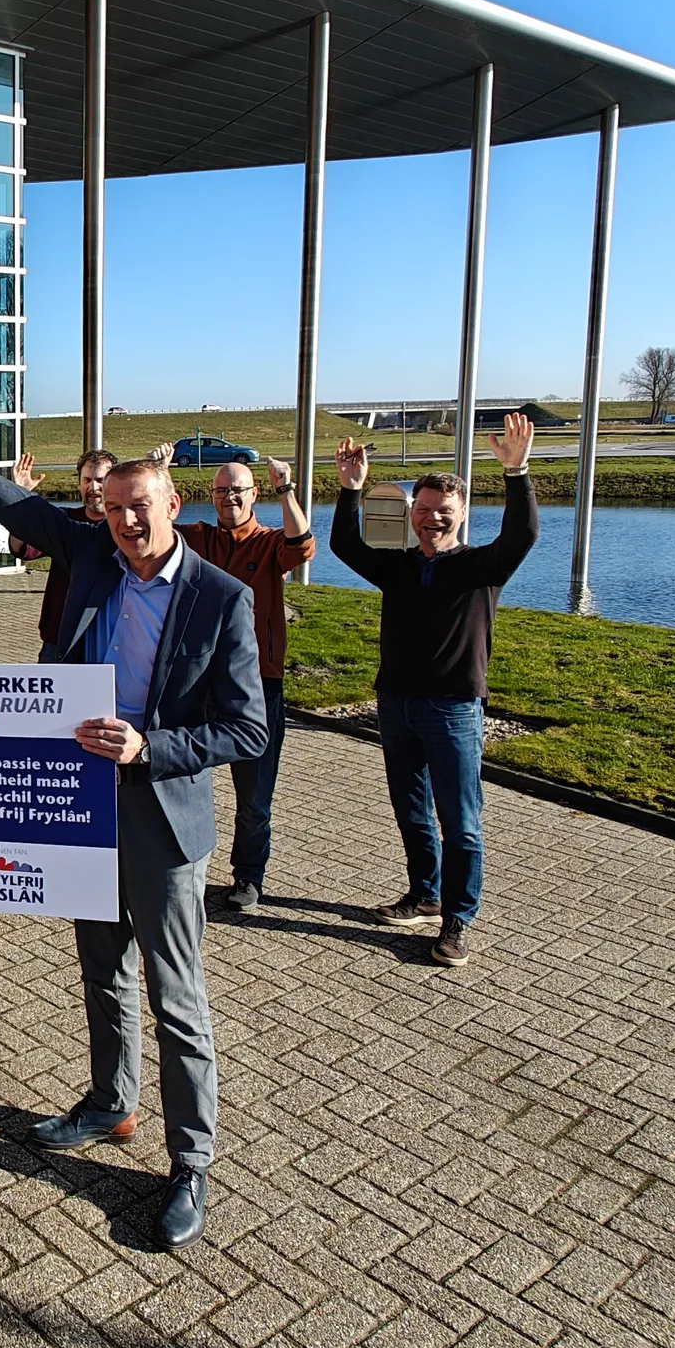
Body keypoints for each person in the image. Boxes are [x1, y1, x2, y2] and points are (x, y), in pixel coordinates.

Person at [0, 414, 267, 1251]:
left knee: (176, 996)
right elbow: (5, 498)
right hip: (79, 804)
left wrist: (154, 745)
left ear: (171, 502)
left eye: (140, 506)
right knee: (103, 972)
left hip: (159, 812)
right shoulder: (90, 556)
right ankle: (111, 1101)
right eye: (113, 509)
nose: (125, 521)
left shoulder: (222, 599)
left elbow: (249, 729)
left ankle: (190, 1160)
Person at [330, 413, 539, 968]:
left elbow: (523, 534)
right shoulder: (399, 567)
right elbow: (346, 546)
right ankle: (424, 895)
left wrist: (516, 473)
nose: (431, 520)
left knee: (461, 821)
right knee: (412, 810)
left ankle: (456, 919)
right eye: (422, 511)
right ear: (411, 515)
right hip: (396, 705)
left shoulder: (482, 567)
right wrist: (351, 490)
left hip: (452, 709)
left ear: (461, 513)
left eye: (442, 512)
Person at [181, 455, 314, 913]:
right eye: (221, 491)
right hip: (198, 679)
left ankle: (248, 877)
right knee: (177, 775)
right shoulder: (196, 538)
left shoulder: (269, 542)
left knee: (254, 794)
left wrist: (287, 488)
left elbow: (301, 544)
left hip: (259, 683)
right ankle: (177, 866)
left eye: (238, 490)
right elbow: (157, 523)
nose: (229, 498)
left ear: (254, 495)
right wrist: (157, 469)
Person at [7, 447, 116, 652]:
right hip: (58, 639)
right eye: (87, 480)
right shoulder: (64, 520)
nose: (93, 487)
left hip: (108, 640)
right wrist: (20, 498)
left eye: (101, 480)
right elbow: (21, 549)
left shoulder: (124, 527)